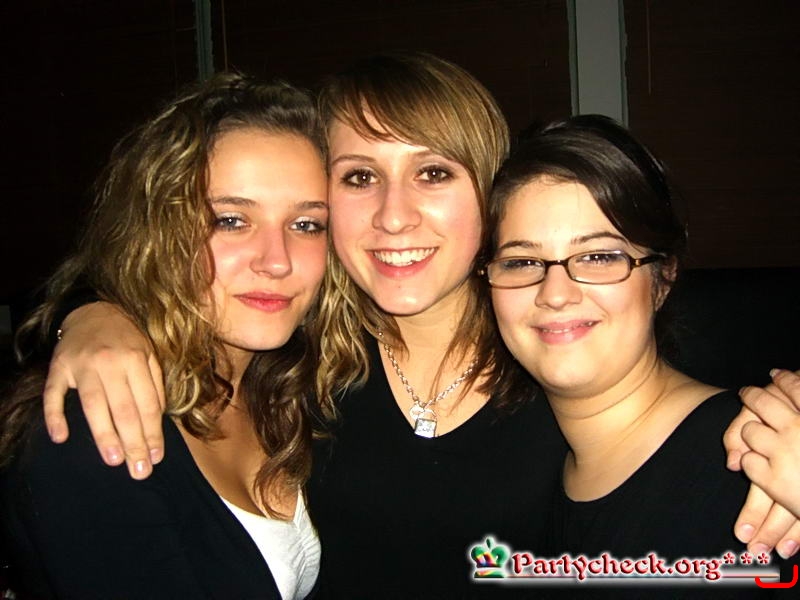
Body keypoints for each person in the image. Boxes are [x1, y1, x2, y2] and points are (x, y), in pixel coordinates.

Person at [28, 53, 800, 597]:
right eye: (359, 177)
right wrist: (93, 315)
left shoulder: (559, 346)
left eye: (433, 172)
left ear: (490, 195)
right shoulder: (297, 356)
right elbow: (169, 276)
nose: (394, 215)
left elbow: (706, 388)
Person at [0, 73, 327, 599]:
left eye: (307, 224)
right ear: (157, 232)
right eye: (230, 220)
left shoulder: (298, 387)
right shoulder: (99, 430)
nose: (277, 261)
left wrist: (83, 311)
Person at [486, 114, 798, 594]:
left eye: (599, 256)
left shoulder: (758, 461)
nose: (555, 293)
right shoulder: (520, 470)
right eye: (522, 261)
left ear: (662, 279)